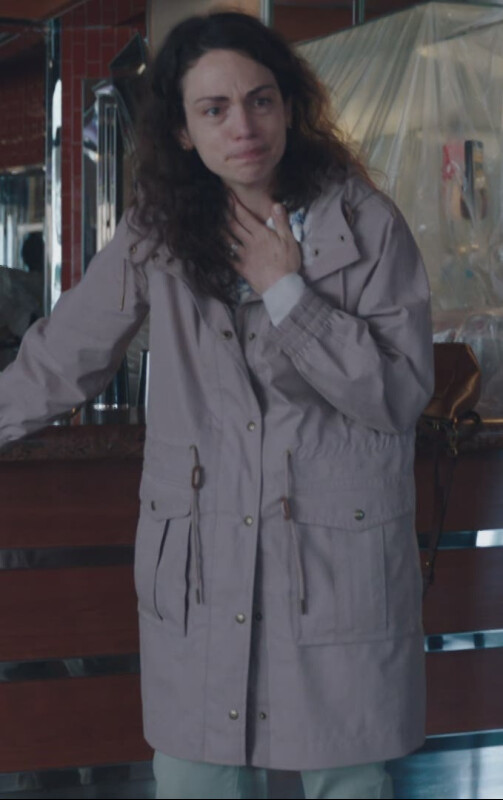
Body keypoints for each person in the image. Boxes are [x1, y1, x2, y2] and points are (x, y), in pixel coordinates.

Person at [0, 12, 434, 800]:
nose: (243, 127)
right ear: (181, 129)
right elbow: (62, 359)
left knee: (346, 775)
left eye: (260, 100)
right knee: (196, 775)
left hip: (332, 566)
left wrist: (285, 290)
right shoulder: (156, 231)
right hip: (204, 565)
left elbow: (396, 395)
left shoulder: (364, 225)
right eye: (214, 108)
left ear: (289, 106)